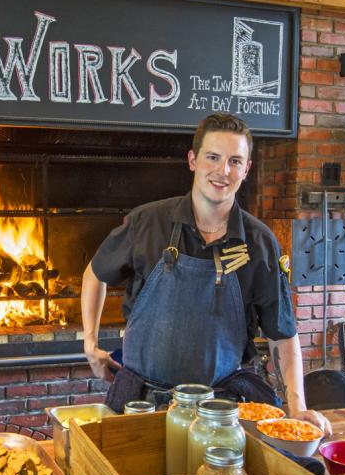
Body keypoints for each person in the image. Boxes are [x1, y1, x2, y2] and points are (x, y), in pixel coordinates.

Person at [81, 112, 331, 436]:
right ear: (193, 160)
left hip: (220, 412)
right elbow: (95, 273)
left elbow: (281, 331)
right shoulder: (148, 222)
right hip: (141, 403)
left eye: (235, 161)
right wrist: (90, 342)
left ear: (247, 169)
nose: (222, 171)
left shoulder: (259, 242)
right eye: (213, 157)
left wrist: (297, 407)